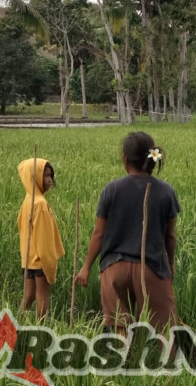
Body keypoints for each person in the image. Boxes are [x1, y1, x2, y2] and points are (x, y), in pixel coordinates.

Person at [75, 132, 179, 333]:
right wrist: (170, 265)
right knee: (164, 330)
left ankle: (123, 352)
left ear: (125, 159)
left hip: (114, 269)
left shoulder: (112, 189)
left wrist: (86, 266)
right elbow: (170, 236)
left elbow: (99, 233)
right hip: (151, 268)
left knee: (120, 328)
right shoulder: (166, 191)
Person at [17, 157, 64, 321]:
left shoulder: (27, 201)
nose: (50, 180)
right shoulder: (40, 204)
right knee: (43, 298)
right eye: (45, 175)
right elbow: (44, 241)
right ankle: (41, 330)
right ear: (34, 176)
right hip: (40, 260)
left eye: (50, 176)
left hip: (28, 260)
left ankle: (17, 325)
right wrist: (49, 266)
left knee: (28, 296)